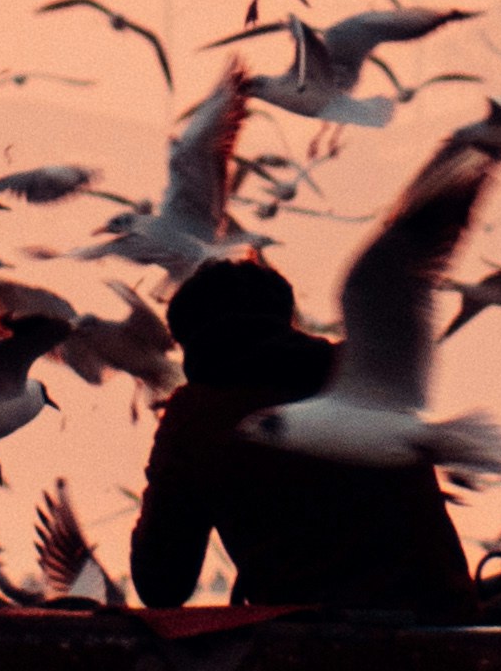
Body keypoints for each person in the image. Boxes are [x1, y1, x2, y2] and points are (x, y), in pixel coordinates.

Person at [129, 256, 479, 617]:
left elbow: (161, 584)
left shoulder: (199, 414)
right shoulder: (363, 376)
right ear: (286, 319)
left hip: (323, 651)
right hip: (451, 627)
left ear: (191, 341)